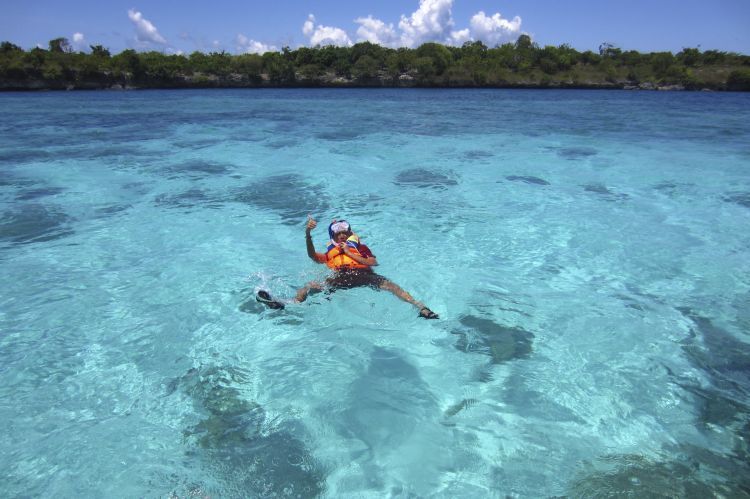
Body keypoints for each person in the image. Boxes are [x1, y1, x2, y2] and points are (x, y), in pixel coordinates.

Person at [256, 216, 439, 319]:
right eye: (338, 234)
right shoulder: (330, 254)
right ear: (333, 238)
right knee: (309, 286)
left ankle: (421, 308)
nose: (342, 236)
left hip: (364, 276)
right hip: (340, 279)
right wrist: (307, 234)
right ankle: (284, 304)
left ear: (349, 234)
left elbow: (373, 263)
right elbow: (312, 256)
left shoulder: (359, 248)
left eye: (345, 233)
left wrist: (350, 254)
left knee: (393, 287)